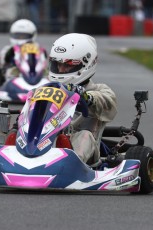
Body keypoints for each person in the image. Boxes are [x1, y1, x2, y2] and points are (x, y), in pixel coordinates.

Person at [48, 33, 118, 165]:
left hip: (79, 149)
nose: (61, 70)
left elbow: (107, 104)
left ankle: (70, 166)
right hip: (45, 142)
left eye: (67, 65)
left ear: (86, 64)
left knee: (84, 135)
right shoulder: (46, 89)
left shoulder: (99, 90)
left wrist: (87, 97)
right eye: (57, 64)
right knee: (10, 133)